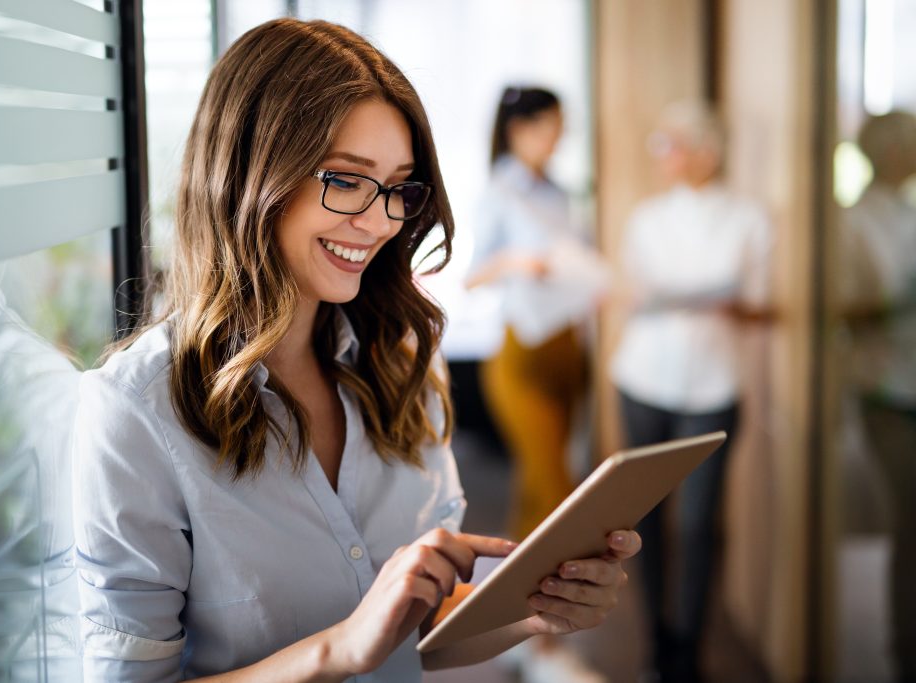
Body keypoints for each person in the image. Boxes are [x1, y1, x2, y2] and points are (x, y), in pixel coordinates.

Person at [72, 19, 640, 682]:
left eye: (399, 187)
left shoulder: (403, 361)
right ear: (248, 173)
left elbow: (428, 621)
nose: (379, 221)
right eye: (346, 179)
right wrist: (338, 650)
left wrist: (534, 613)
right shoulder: (135, 413)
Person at [608, 100, 773, 683]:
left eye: (671, 144)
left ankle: (689, 654)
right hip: (643, 380)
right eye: (660, 144)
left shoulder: (749, 219)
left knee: (699, 525)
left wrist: (732, 305)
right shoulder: (647, 219)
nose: (662, 155)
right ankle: (656, 645)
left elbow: (762, 305)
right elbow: (631, 293)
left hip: (714, 386)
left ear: (708, 152)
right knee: (644, 522)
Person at [465, 86, 610, 542]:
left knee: (536, 483)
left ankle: (520, 576)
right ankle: (553, 578)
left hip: (568, 345)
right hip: (523, 348)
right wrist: (517, 261)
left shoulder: (560, 193)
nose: (559, 138)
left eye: (563, 128)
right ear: (519, 129)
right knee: (555, 487)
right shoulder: (500, 192)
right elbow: (471, 278)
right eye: (551, 127)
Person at [839, 110, 916, 683]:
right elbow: (848, 304)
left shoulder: (908, 213)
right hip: (889, 390)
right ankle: (905, 650)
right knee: (911, 523)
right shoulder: (853, 221)